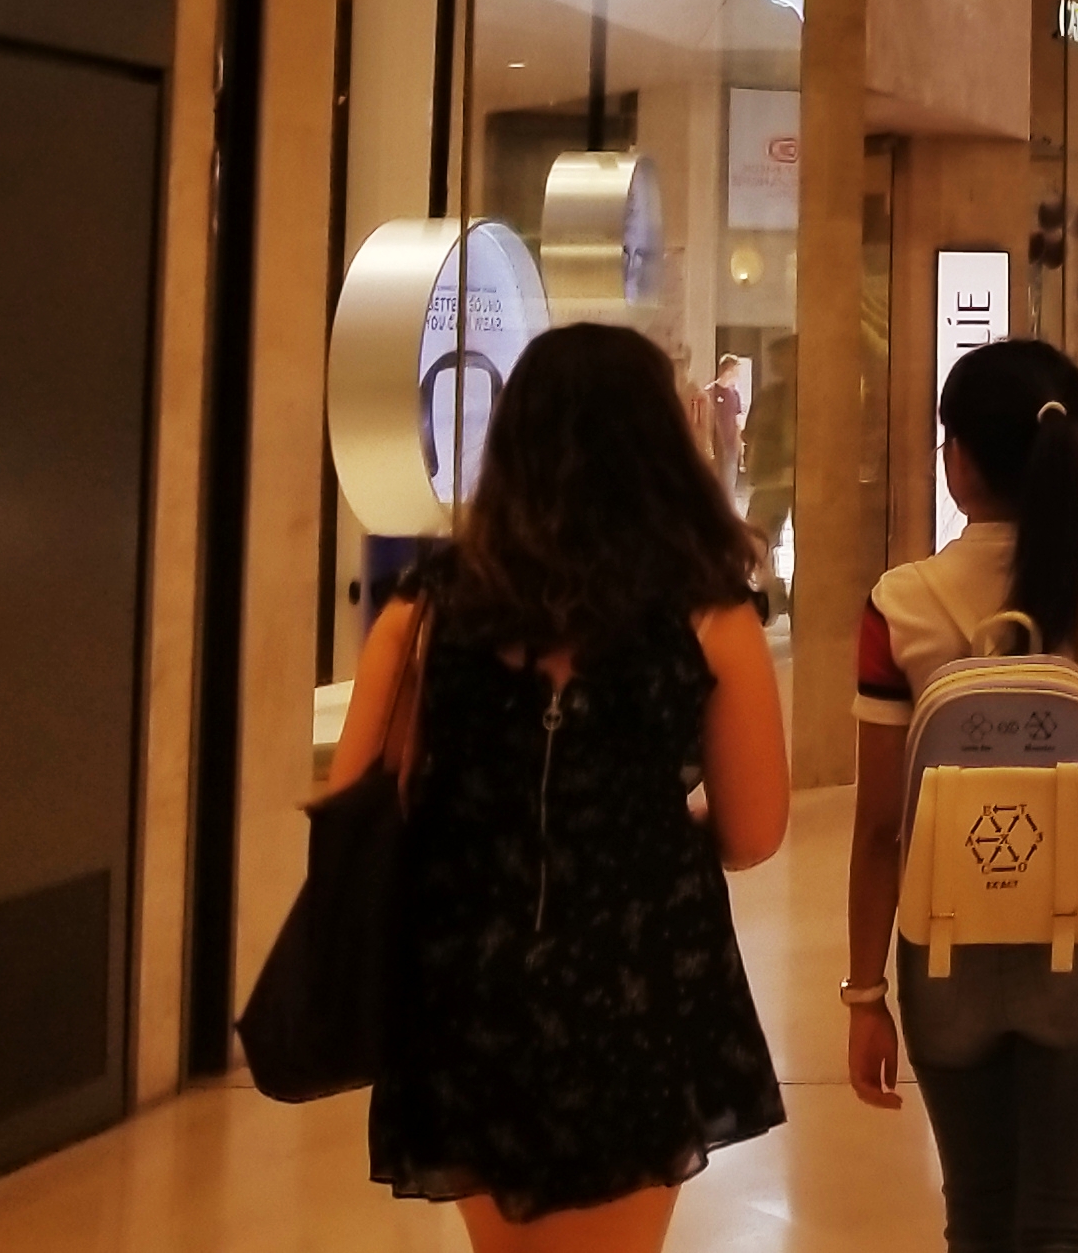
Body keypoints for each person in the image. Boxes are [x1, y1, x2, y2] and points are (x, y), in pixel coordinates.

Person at [334, 323, 789, 1250]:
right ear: (660, 446)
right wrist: (636, 828)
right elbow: (754, 831)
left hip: (463, 983)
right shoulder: (706, 611)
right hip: (635, 977)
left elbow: (357, 800)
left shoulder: (425, 607)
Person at [842, 337, 1078, 1250]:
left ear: (957, 460)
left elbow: (879, 827)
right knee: (1066, 1230)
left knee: (978, 1219)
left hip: (942, 945)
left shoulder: (899, 602)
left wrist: (864, 993)